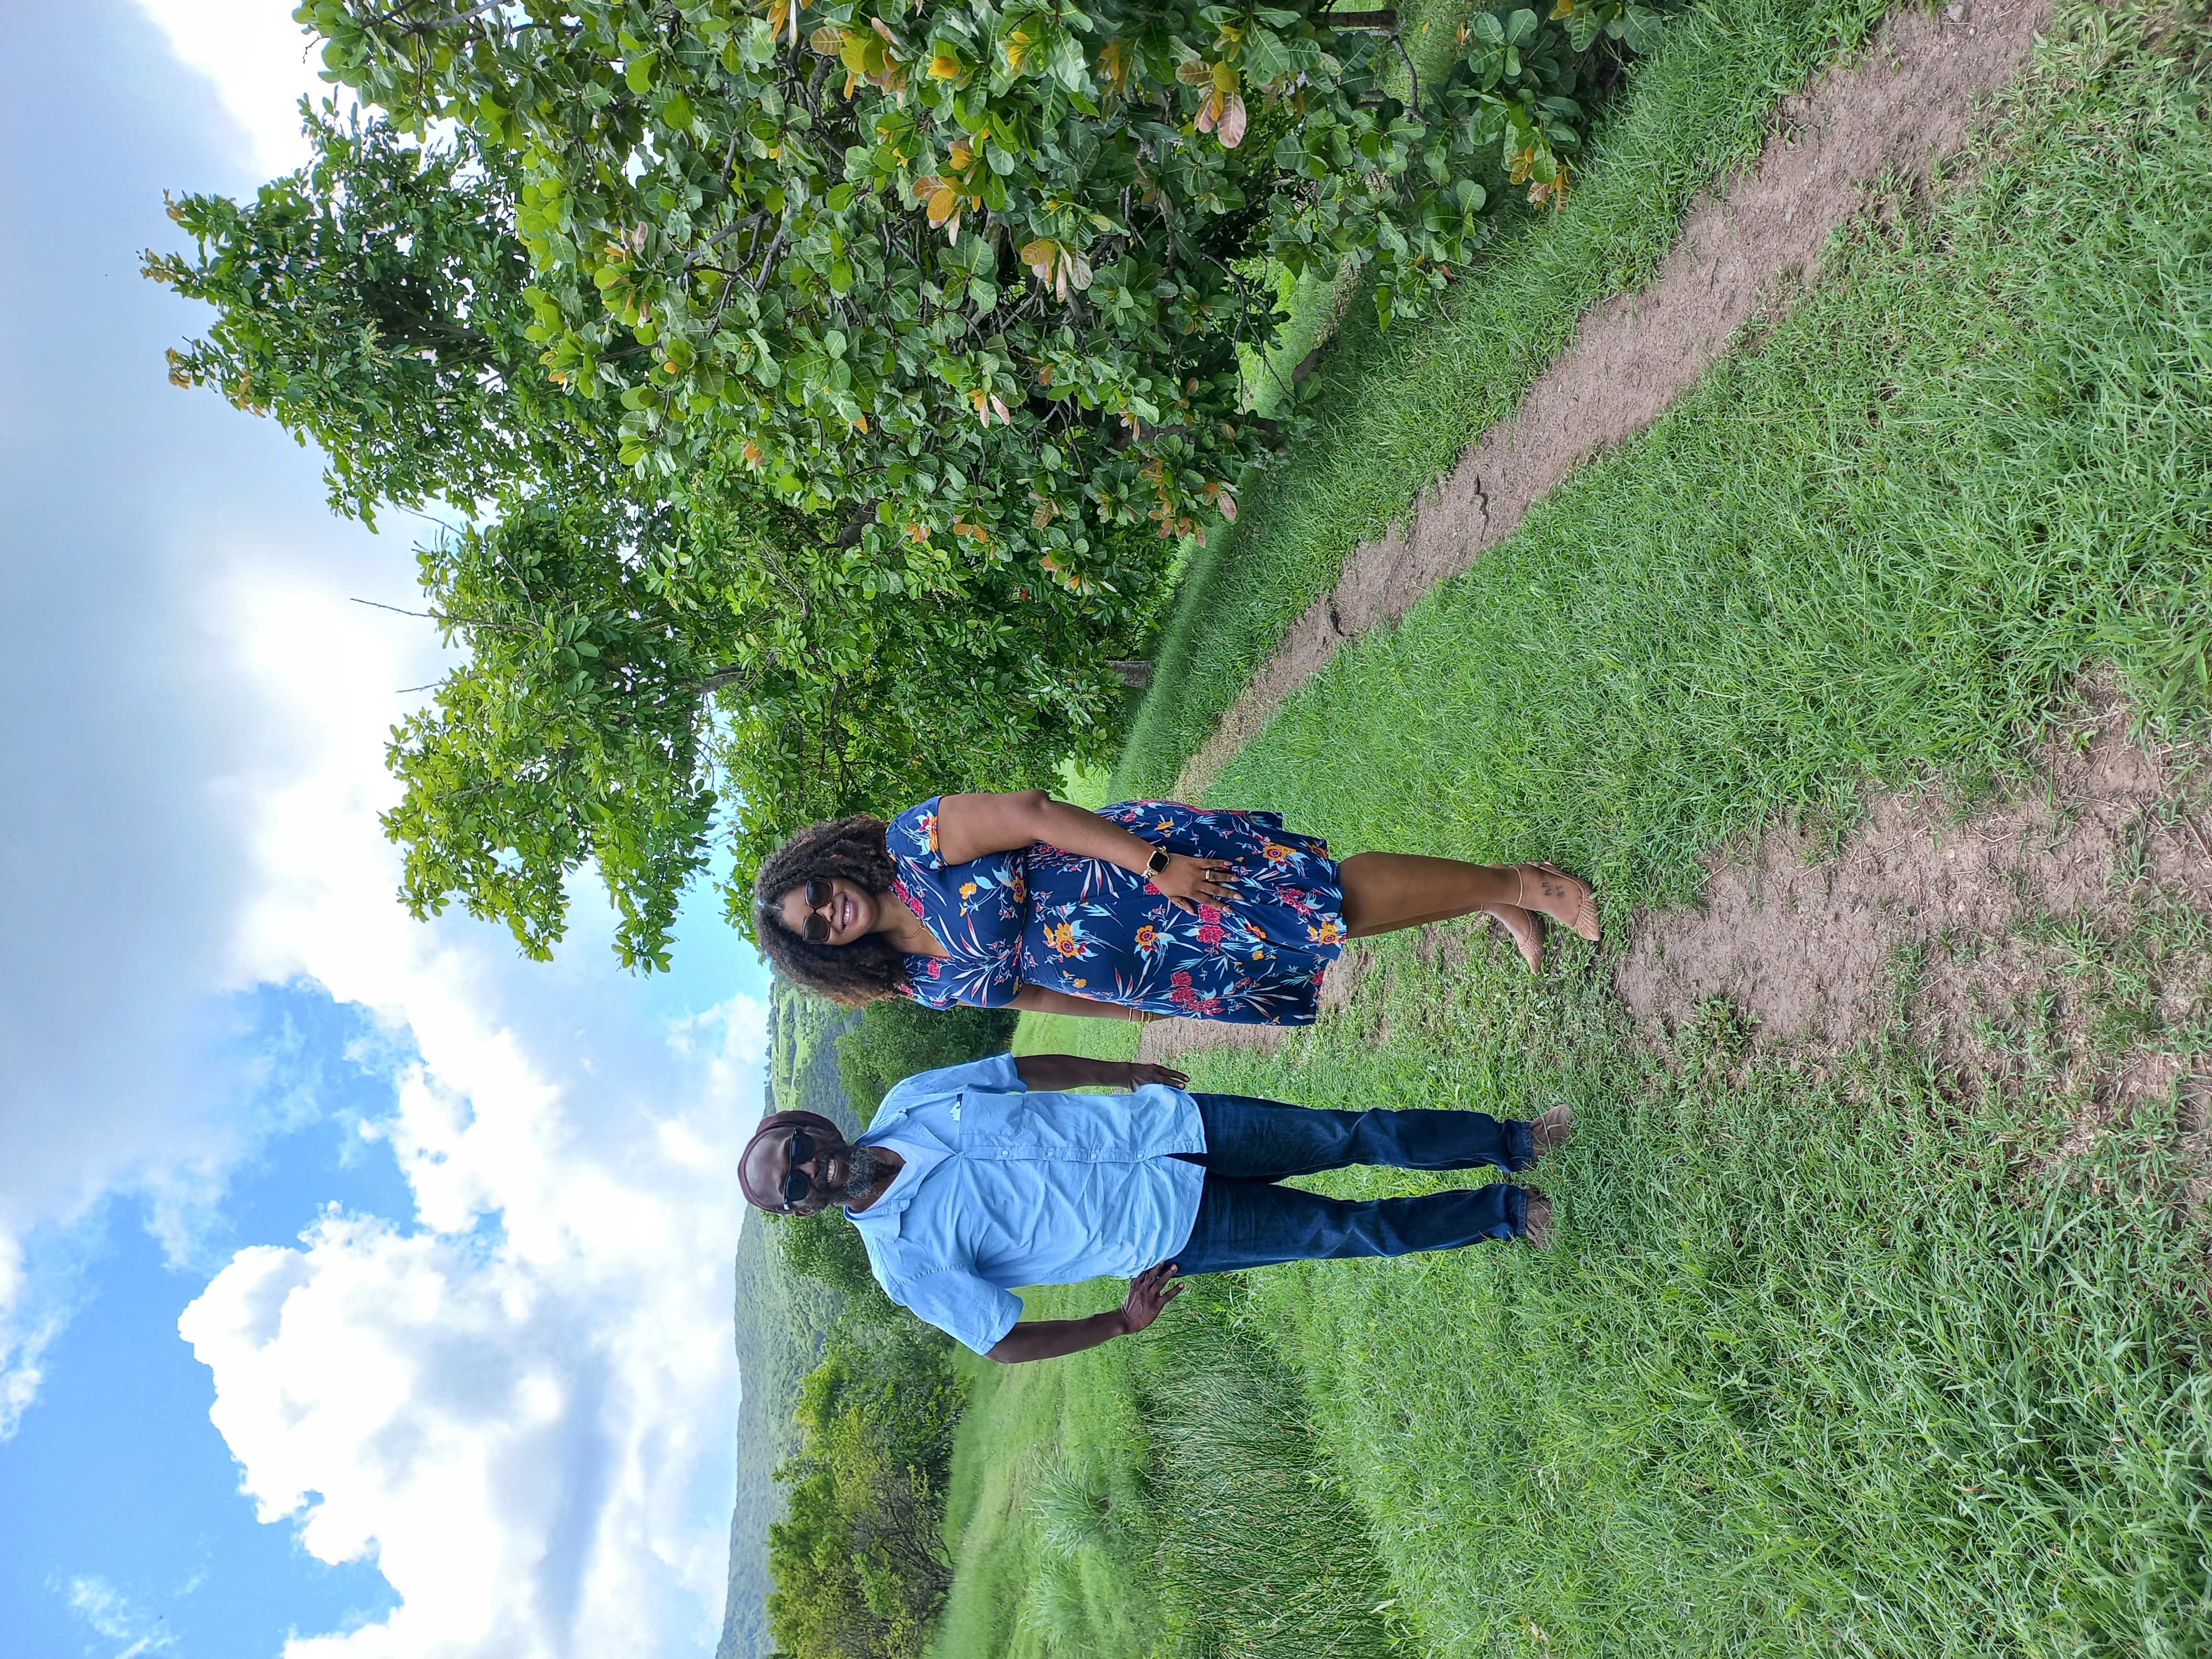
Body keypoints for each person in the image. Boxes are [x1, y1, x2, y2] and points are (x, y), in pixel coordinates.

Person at [737, 1050, 1572, 1362]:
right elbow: (1001, 1341)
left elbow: (1019, 1074)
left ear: (807, 1125)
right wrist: (1118, 1323)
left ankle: (1516, 1142)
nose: (810, 1168)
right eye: (793, 1185)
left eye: (797, 1148)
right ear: (802, 1210)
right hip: (1173, 1229)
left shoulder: (911, 1098)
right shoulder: (904, 1265)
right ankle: (1507, 1214)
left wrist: (1121, 1072)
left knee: (1351, 1132)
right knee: (1348, 1230)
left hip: (1176, 1127)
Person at [752, 790, 1599, 1025]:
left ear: (828, 868)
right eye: (815, 930)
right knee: (1320, 934)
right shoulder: (918, 983)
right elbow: (1030, 995)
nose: (829, 914)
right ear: (826, 956)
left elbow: (1035, 814)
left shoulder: (915, 845)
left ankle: (1523, 885)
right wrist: (1125, 1011)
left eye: (816, 895)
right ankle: (1493, 894)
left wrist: (1158, 864)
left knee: (1325, 901)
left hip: (1153, 880)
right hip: (1158, 966)